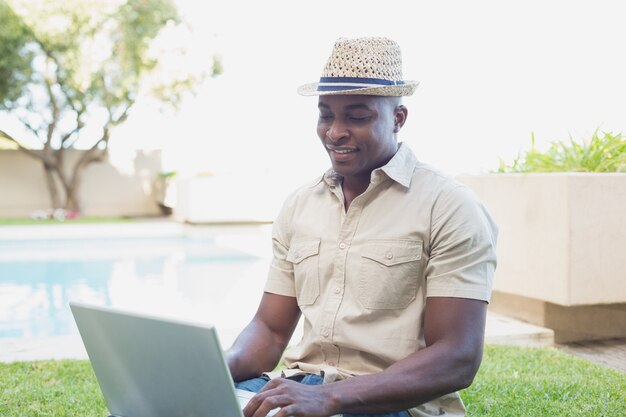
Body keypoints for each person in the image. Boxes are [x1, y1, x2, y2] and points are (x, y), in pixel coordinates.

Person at [226, 36, 498, 417]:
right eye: (326, 115)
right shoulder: (300, 206)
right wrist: (214, 368)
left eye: (357, 117)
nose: (335, 132)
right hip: (303, 387)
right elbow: (269, 332)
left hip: (392, 404)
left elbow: (458, 356)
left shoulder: (449, 206)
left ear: (398, 118)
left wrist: (329, 398)